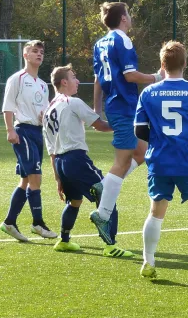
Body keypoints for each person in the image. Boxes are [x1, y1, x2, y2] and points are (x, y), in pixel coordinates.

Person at [134, 40, 188, 284]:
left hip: (160, 161)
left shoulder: (148, 93)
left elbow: (140, 131)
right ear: (185, 64)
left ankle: (148, 262)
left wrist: (161, 141)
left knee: (156, 213)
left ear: (162, 65)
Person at [43, 64, 133, 257]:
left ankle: (64, 240)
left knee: (75, 200)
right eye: (74, 77)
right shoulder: (72, 102)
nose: (77, 81)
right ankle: (110, 245)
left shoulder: (49, 110)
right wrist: (125, 127)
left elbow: (50, 149)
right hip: (76, 159)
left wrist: (57, 177)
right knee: (107, 192)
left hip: (60, 162)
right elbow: (100, 125)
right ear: (64, 82)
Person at [90, 1, 163, 240]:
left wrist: (97, 111)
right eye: (129, 14)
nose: (130, 18)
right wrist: (155, 77)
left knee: (141, 152)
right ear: (123, 18)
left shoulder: (99, 43)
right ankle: (103, 212)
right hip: (124, 107)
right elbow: (130, 75)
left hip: (117, 106)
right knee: (121, 163)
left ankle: (106, 184)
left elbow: (98, 81)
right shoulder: (123, 40)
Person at [0, 40, 57, 242]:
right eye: (35, 51)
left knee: (26, 180)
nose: (39, 54)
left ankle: (9, 222)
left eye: (41, 51)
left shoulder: (42, 85)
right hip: (22, 131)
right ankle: (38, 223)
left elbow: (45, 112)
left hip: (37, 133)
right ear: (25, 55)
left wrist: (46, 118)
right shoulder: (16, 79)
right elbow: (7, 106)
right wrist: (10, 130)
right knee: (35, 177)